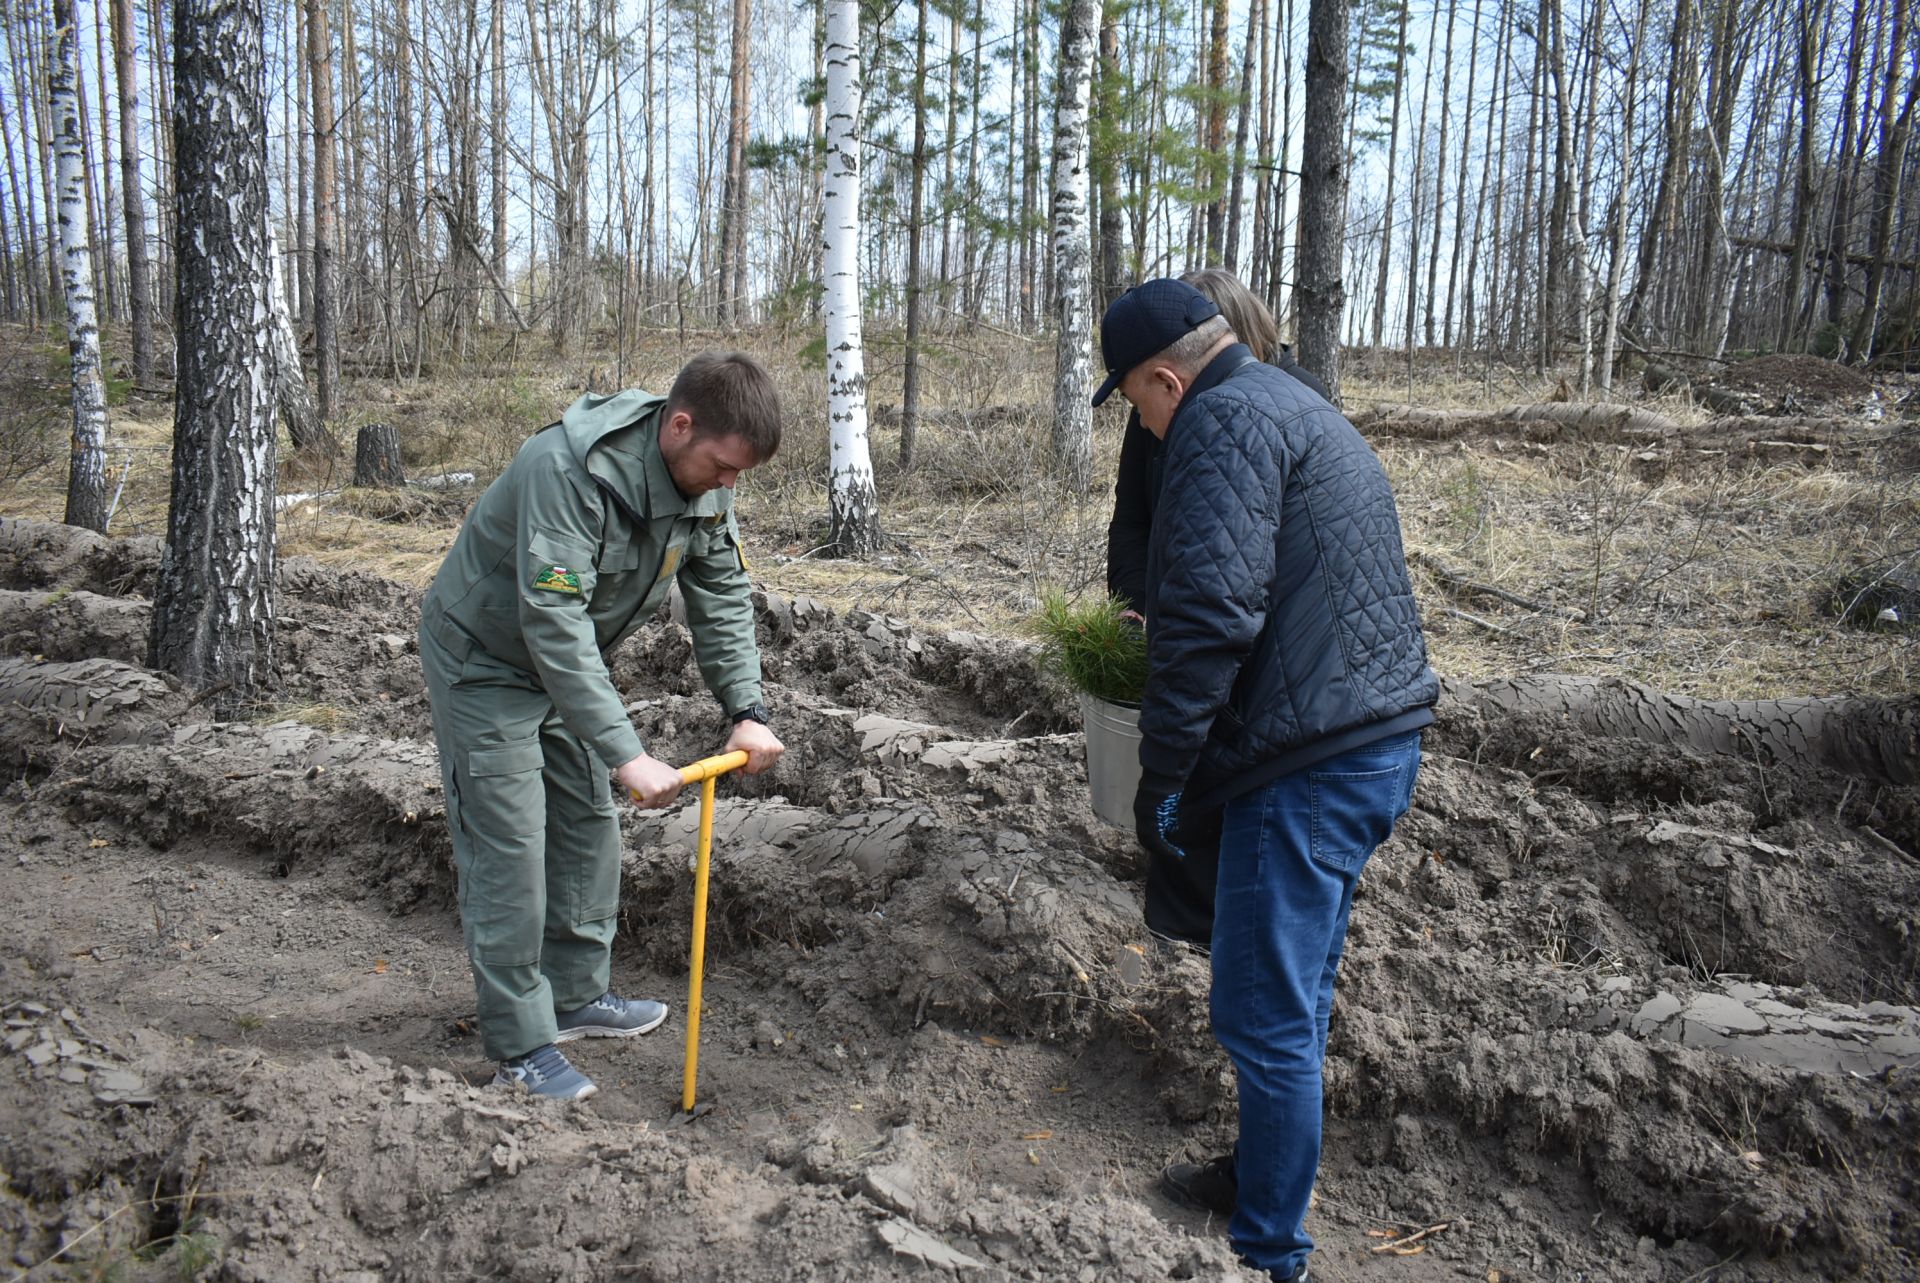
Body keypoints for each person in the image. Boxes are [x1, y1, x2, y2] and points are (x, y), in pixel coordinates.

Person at [1091, 279, 1437, 1282]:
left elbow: (1207, 614)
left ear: (1164, 378)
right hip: (1367, 736)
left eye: (1136, 404)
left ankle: (1266, 1252)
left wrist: (1164, 772)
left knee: (1262, 1011)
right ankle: (1257, 1179)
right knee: (1297, 991)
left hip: (1312, 762)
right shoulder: (1291, 402)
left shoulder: (1219, 422)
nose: (1143, 426)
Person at [419, 351, 786, 1101]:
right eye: (721, 466)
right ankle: (521, 1048)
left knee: (588, 829)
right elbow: (550, 621)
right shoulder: (570, 470)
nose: (729, 486)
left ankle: (574, 996)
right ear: (679, 426)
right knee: (511, 851)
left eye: (738, 475)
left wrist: (745, 710)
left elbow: (719, 592)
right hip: (486, 662)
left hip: (562, 667)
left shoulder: (706, 482)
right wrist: (626, 750)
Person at [1105, 270, 1332, 949]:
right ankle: (1184, 919)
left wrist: (1164, 780)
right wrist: (1140, 606)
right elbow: (1133, 522)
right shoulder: (1162, 409)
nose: (1149, 422)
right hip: (1204, 636)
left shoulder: (1265, 409)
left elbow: (1228, 598)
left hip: (1270, 671)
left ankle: (1207, 930)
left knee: (1218, 789)